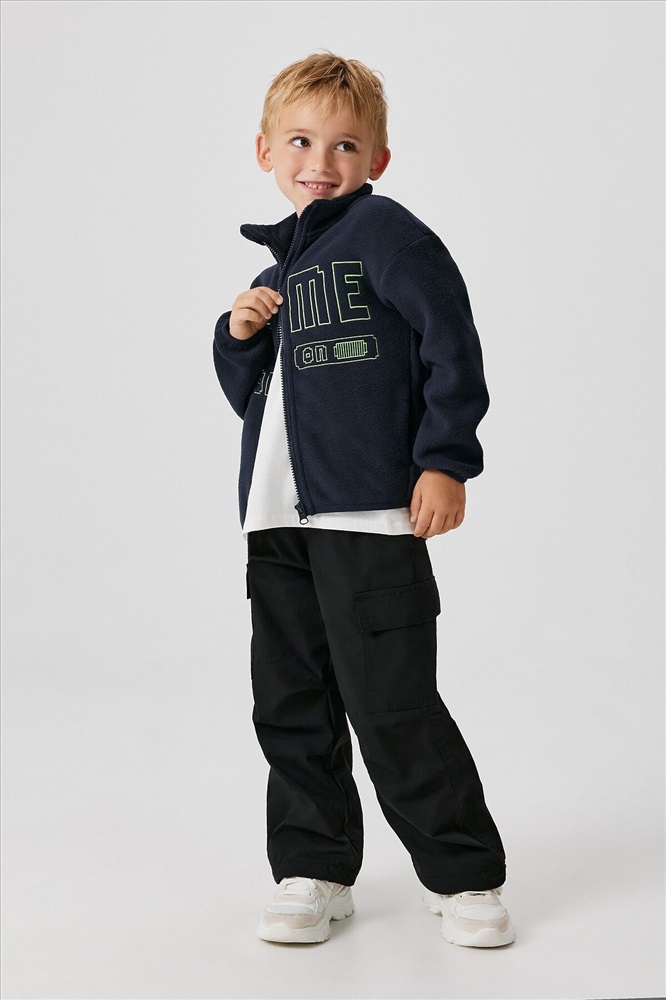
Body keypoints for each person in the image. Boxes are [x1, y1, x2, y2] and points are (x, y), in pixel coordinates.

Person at [212, 52, 515, 949]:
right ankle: (313, 868)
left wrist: (444, 461)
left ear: (377, 159)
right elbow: (259, 400)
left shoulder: (389, 237)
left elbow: (452, 349)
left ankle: (462, 874)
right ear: (265, 150)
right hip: (276, 520)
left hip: (370, 516)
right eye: (301, 142)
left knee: (392, 701)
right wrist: (237, 336)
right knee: (291, 700)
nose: (321, 161)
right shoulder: (278, 268)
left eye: (345, 145)